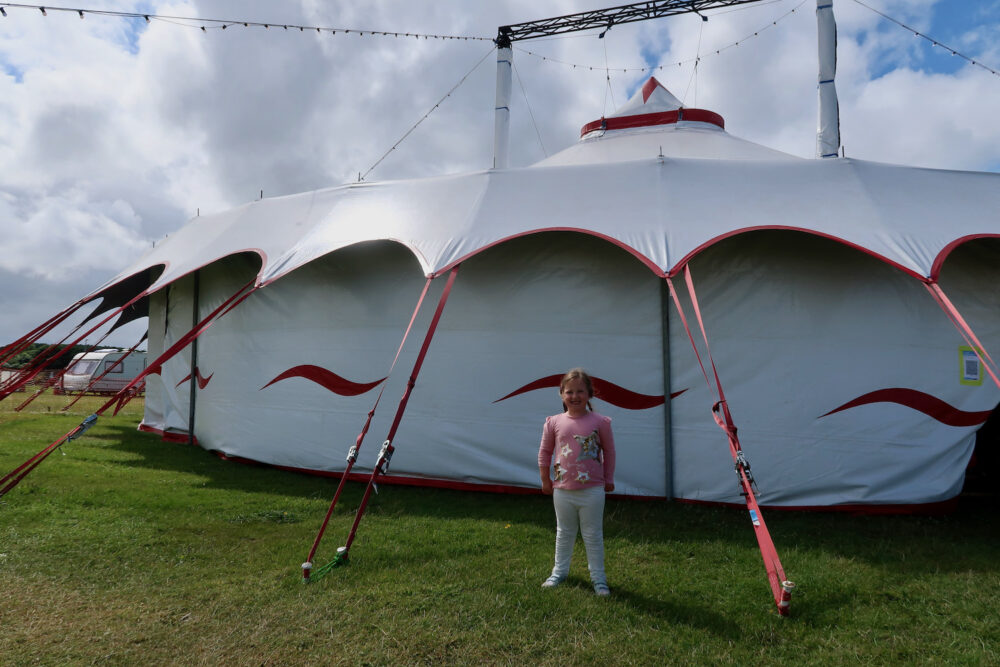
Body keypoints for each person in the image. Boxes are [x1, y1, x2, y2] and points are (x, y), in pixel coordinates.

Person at [538, 367, 616, 596]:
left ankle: (598, 579)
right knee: (564, 532)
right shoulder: (553, 422)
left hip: (592, 489)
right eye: (569, 392)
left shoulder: (600, 422)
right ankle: (559, 573)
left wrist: (608, 478)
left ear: (589, 394)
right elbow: (544, 452)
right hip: (562, 490)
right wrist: (545, 480)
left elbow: (610, 452)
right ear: (562, 394)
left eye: (580, 391)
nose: (575, 397)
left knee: (593, 534)